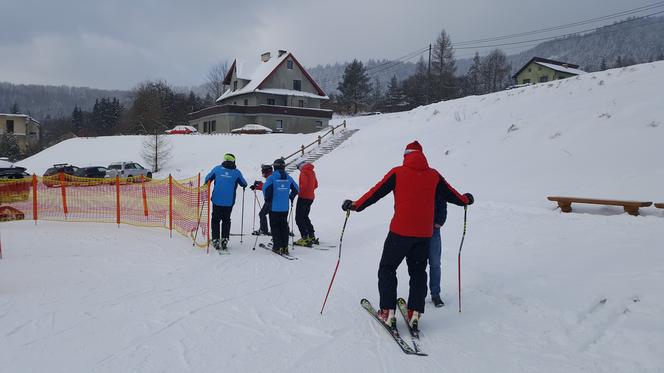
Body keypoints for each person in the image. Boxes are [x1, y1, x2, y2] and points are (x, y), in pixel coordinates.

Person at [341, 141, 473, 330]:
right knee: (418, 272)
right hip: (424, 235)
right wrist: (466, 199)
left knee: (387, 268)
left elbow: (375, 193)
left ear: (405, 156)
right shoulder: (434, 175)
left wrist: (355, 205)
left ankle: (388, 311)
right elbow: (452, 195)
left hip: (399, 233)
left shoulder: (398, 172)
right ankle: (415, 312)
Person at [204, 153, 248, 251]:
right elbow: (244, 183)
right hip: (229, 201)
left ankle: (215, 240)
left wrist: (207, 184)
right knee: (226, 219)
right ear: (234, 161)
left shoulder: (217, 169)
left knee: (215, 219)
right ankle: (224, 240)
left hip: (217, 200)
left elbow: (207, 179)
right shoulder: (237, 172)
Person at [263, 158, 298, 254]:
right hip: (284, 207)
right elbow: (296, 189)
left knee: (275, 227)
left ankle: (277, 246)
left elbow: (266, 190)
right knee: (283, 226)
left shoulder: (272, 178)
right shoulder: (288, 177)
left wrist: (267, 200)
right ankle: (285, 247)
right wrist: (290, 196)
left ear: (274, 167)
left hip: (274, 207)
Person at [294, 161, 318, 247]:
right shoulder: (312, 172)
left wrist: (299, 192)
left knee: (299, 217)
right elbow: (316, 185)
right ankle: (311, 235)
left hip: (303, 197)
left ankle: (304, 237)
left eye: (298, 167)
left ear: (301, 166)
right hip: (311, 197)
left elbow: (303, 185)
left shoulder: (304, 172)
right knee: (305, 216)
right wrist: (310, 190)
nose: (298, 169)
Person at [429, 198, 448, 307]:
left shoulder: (437, 182)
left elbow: (443, 201)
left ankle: (435, 294)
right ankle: (418, 296)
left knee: (435, 264)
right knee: (418, 265)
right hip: (418, 229)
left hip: (433, 230)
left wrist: (440, 221)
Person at [250, 164, 273, 236]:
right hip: (273, 200)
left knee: (262, 214)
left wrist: (258, 185)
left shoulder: (271, 177)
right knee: (273, 215)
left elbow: (267, 187)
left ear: (266, 171)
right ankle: (279, 230)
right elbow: (266, 187)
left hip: (270, 200)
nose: (262, 173)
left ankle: (264, 230)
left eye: (263, 171)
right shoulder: (271, 177)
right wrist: (257, 186)